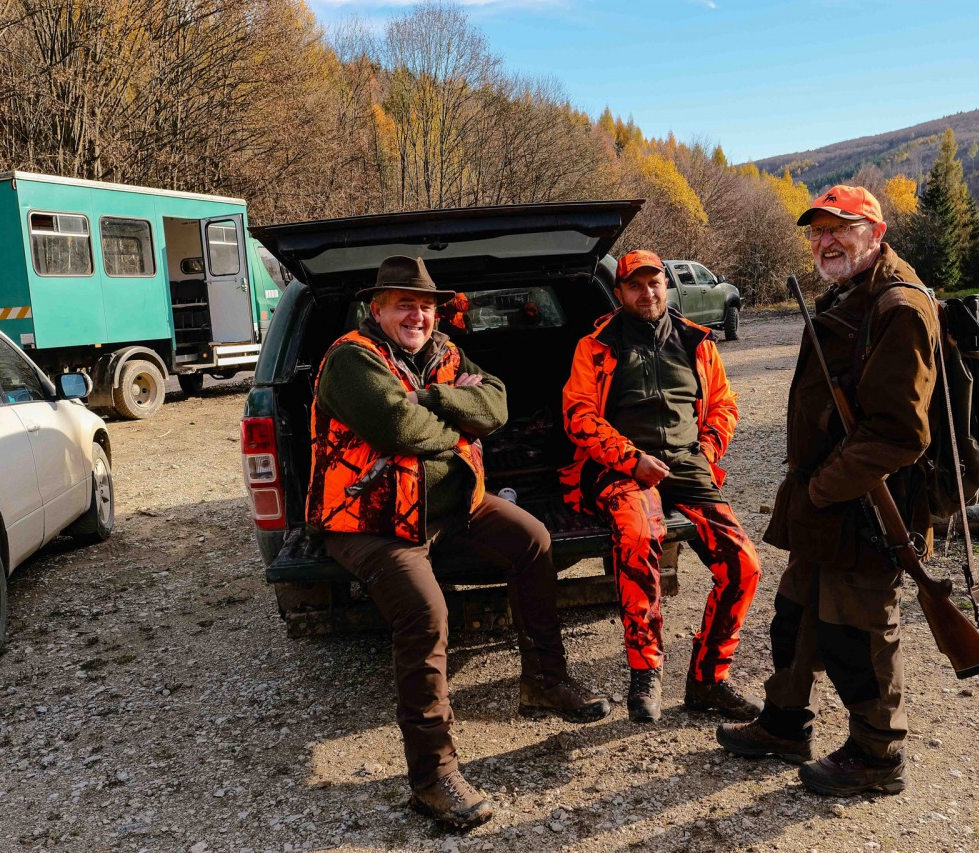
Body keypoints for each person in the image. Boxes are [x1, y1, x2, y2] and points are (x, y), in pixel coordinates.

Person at [310, 255, 610, 830]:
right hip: (371, 520)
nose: (418, 316)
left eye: (425, 306)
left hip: (452, 507)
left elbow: (496, 405)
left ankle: (544, 681)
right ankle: (432, 778)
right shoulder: (351, 358)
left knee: (533, 540)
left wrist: (433, 399)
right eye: (404, 304)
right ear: (377, 309)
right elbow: (397, 428)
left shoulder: (444, 352)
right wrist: (455, 416)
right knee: (426, 615)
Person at [716, 185, 938, 797]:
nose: (826, 241)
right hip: (828, 500)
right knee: (797, 614)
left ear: (877, 232)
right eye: (817, 230)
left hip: (868, 504)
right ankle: (786, 724)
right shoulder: (851, 292)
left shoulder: (897, 306)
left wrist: (820, 490)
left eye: (841, 227)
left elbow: (898, 434)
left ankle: (877, 755)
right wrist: (814, 494)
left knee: (858, 633)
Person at [561, 249, 762, 724]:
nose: (646, 293)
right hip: (620, 468)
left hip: (688, 465)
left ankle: (708, 681)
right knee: (637, 538)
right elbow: (578, 415)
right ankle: (645, 671)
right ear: (619, 292)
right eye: (635, 285)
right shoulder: (596, 345)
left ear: (666, 286)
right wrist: (631, 459)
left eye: (654, 283)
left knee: (745, 566)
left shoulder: (697, 341)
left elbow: (724, 406)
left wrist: (706, 452)